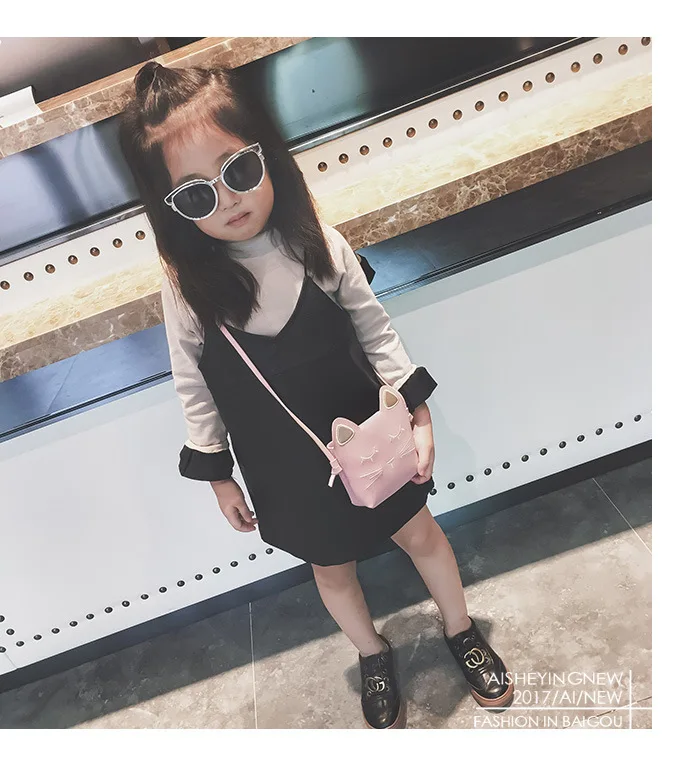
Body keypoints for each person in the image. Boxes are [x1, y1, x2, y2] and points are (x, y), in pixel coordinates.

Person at [119, 61, 513, 729]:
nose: (229, 199)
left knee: (421, 533)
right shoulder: (186, 290)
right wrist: (217, 474)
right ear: (171, 210)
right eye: (196, 196)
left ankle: (460, 628)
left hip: (369, 437)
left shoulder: (317, 245)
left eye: (239, 170)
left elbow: (377, 331)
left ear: (267, 155)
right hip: (284, 467)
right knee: (331, 571)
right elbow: (194, 383)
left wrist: (417, 412)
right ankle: (371, 651)